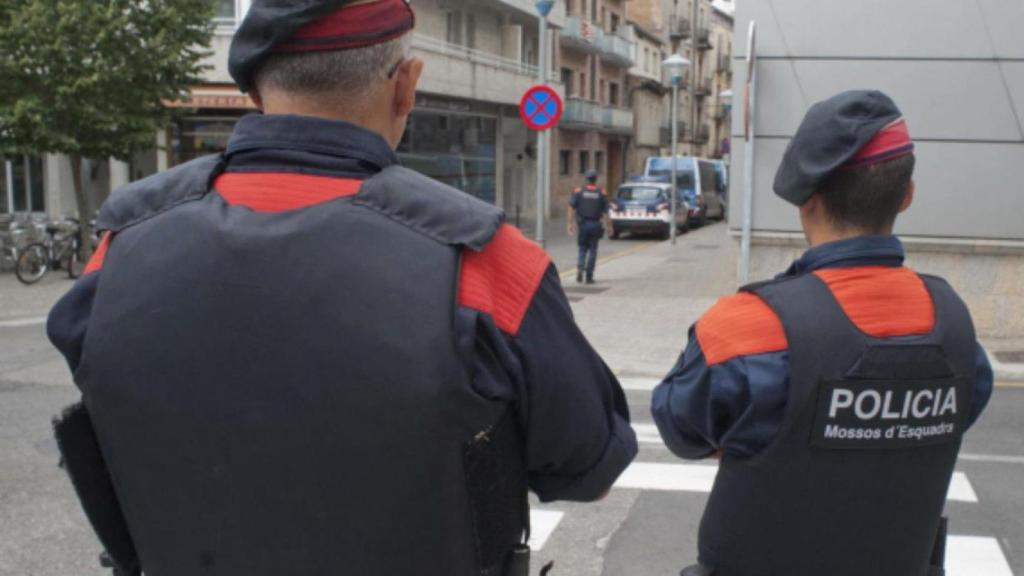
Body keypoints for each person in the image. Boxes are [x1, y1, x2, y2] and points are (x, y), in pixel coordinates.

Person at [46, 2, 637, 575]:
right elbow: (588, 465)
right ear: (405, 85)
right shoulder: (489, 262)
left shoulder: (119, 248)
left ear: (254, 93)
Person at [652, 90, 994, 576]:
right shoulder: (953, 326)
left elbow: (681, 430)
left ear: (807, 201)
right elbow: (962, 411)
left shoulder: (746, 326)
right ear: (907, 195)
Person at [567, 169, 610, 284]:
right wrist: (610, 227)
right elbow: (606, 212)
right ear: (596, 179)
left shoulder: (578, 191)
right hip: (595, 224)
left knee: (582, 249)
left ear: (586, 179)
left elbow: (571, 207)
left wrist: (570, 224)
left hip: (583, 225)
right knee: (593, 250)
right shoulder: (601, 192)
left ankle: (580, 269)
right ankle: (589, 276)